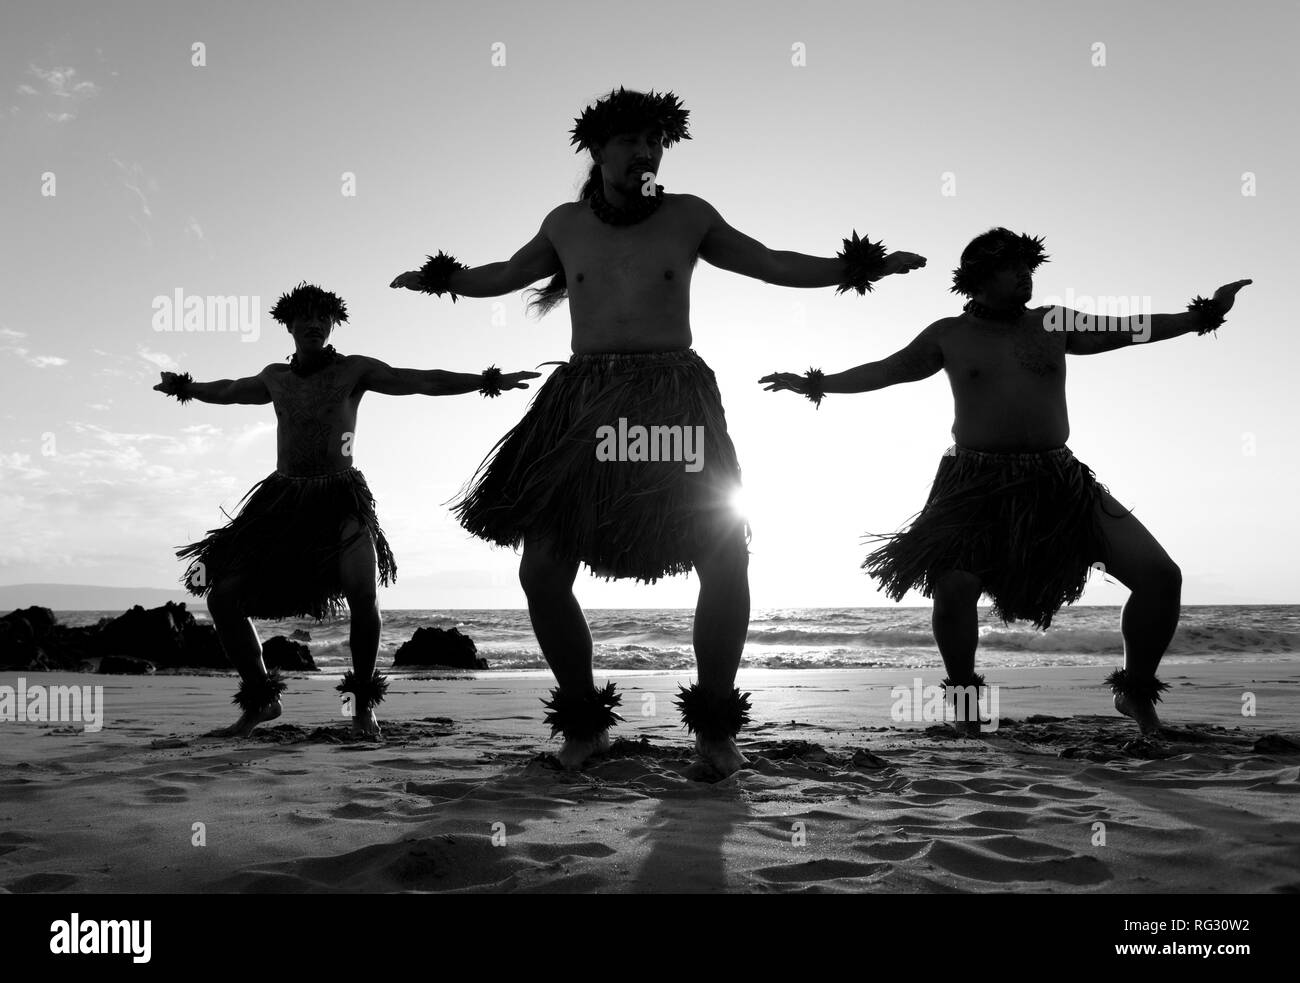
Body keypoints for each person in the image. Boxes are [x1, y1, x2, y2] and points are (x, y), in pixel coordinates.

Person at [391, 87, 926, 773]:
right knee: (544, 569)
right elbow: (503, 273)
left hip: (674, 395)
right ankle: (583, 723)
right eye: (631, 140)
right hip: (582, 403)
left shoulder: (689, 216)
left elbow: (771, 261)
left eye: (656, 141)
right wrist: (442, 279)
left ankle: (714, 728)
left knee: (724, 553)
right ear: (597, 148)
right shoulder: (564, 224)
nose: (646, 152)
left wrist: (860, 266)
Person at [761, 228, 1250, 734]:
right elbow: (889, 370)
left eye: (1029, 268)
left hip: (1057, 479)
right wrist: (817, 383)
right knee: (954, 587)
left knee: (1160, 577)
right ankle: (968, 711)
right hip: (974, 485)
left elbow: (1130, 328)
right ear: (977, 278)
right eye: (1012, 268)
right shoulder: (948, 335)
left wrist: (1203, 315)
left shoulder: (1054, 322)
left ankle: (1136, 693)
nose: (1025, 276)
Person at [154, 281, 537, 738]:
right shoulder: (275, 377)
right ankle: (262, 700)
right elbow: (233, 389)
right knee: (222, 597)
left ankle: (360, 706)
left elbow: (420, 381)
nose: (314, 323)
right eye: (306, 316)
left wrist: (485, 381)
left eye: (323, 317)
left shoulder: (354, 371)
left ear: (333, 324)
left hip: (340, 498)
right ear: (289, 324)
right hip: (282, 502)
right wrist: (187, 387)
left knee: (362, 591)